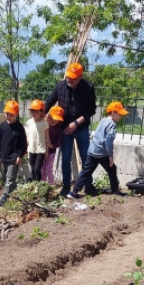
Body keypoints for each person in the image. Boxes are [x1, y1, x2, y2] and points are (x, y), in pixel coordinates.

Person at [44, 62, 97, 196]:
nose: (69, 80)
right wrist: (41, 117)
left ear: (80, 77)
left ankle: (88, 185)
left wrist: (76, 123)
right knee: (65, 157)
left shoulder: (88, 87)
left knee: (86, 157)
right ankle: (66, 186)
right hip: (64, 129)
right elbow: (49, 101)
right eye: (68, 77)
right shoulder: (60, 86)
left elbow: (91, 110)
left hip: (81, 128)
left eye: (73, 78)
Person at [68, 101, 128, 199]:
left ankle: (73, 192)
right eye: (120, 114)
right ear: (113, 113)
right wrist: (110, 156)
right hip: (102, 153)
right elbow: (108, 141)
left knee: (86, 172)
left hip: (92, 151)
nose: (121, 116)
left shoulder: (103, 120)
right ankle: (115, 190)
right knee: (112, 169)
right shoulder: (112, 124)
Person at [0, 100, 27, 206]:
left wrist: (20, 156)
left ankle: (4, 198)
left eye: (11, 114)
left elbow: (23, 144)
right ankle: (15, 189)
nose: (8, 116)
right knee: (3, 177)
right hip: (3, 157)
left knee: (10, 178)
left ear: (16, 114)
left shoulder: (19, 127)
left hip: (13, 158)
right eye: (7, 113)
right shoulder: (2, 126)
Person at [25, 99, 48, 182]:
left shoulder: (44, 123)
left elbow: (47, 138)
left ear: (41, 112)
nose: (34, 114)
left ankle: (38, 183)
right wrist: (25, 147)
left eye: (36, 111)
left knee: (37, 168)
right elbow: (28, 136)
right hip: (31, 149)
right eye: (32, 111)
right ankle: (33, 185)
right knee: (32, 168)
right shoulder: (29, 122)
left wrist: (47, 150)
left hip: (41, 149)